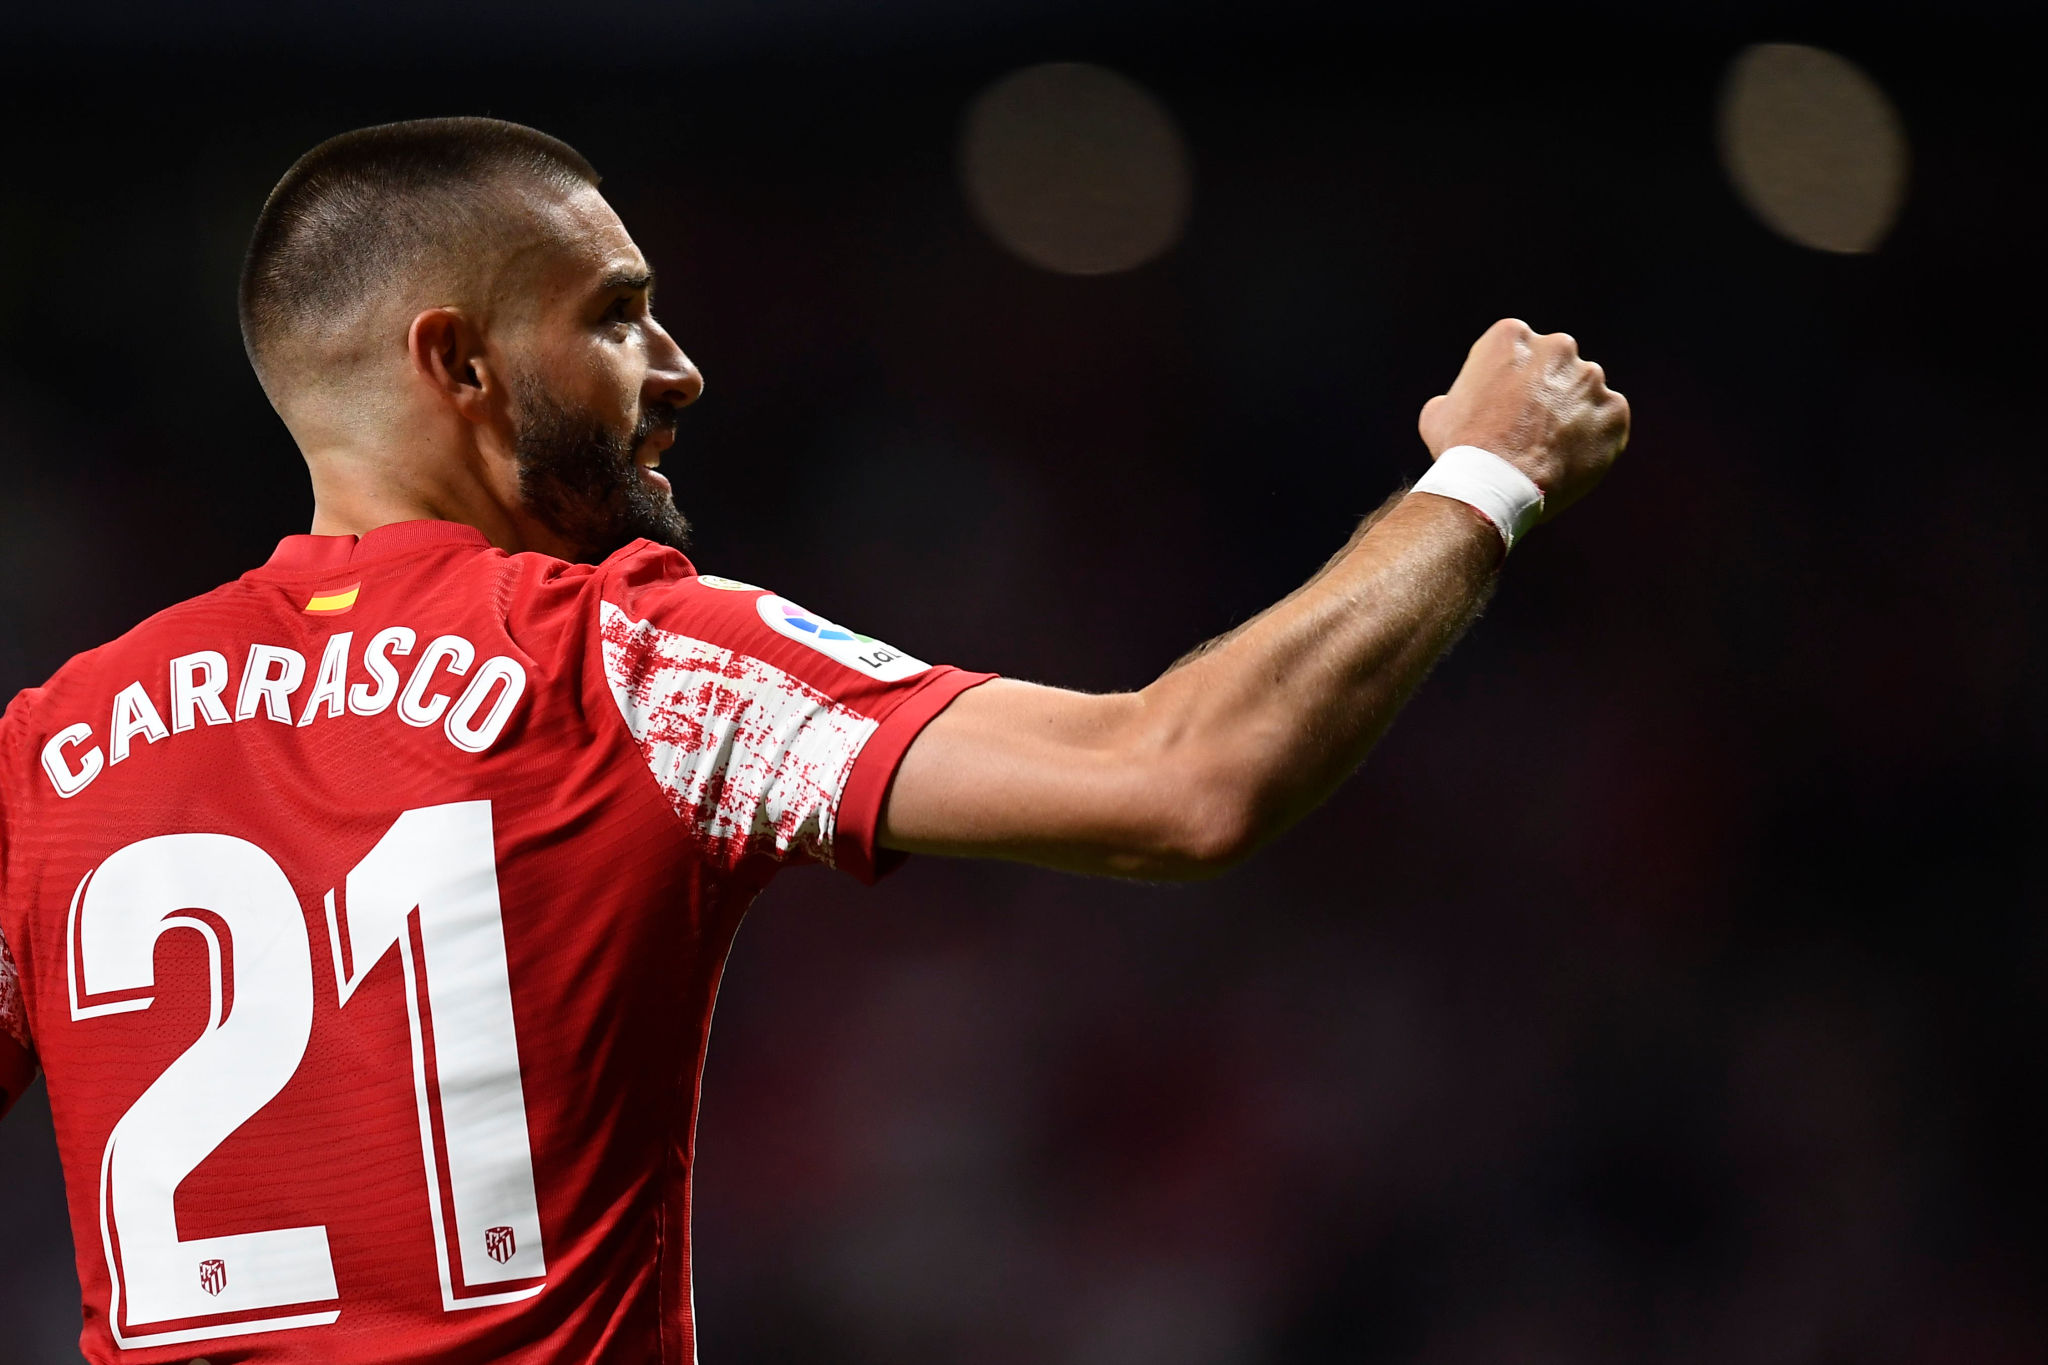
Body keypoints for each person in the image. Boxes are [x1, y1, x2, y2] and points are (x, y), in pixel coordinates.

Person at [0, 117, 1628, 1363]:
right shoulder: (622, 661)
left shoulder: (52, 747)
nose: (679, 367)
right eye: (619, 314)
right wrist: (1486, 475)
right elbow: (1185, 778)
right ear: (459, 360)